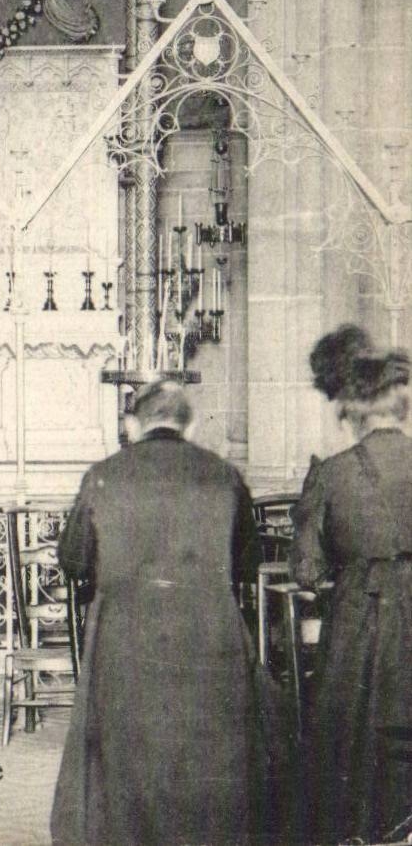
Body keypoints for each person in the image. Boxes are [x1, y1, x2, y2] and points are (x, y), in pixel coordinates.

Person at [50, 379, 274, 846]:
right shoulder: (223, 475)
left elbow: (73, 559)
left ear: (135, 424)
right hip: (208, 632)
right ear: (188, 425)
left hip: (126, 635)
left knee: (126, 754)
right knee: (210, 752)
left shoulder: (103, 475)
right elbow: (248, 560)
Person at [290, 329, 412, 844]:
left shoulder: (333, 474)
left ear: (355, 411)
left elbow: (307, 571)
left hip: (361, 619)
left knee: (353, 734)